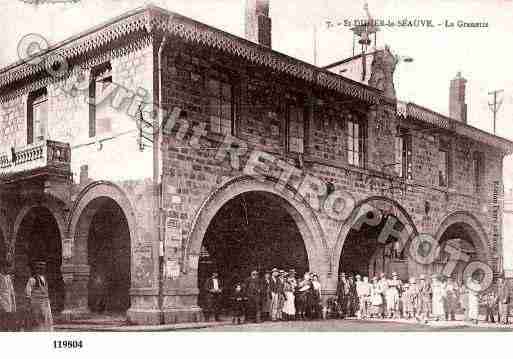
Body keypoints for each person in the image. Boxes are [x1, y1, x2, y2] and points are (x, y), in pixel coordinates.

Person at [25, 261, 53, 331]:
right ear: (36, 269)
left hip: (45, 302)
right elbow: (28, 292)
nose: (41, 270)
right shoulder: (32, 279)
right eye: (39, 268)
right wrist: (29, 304)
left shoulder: (44, 278)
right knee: (38, 320)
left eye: (43, 268)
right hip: (36, 303)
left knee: (46, 319)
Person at [0, 259, 16, 331]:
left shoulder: (8, 277)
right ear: (3, 267)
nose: (9, 270)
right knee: (2, 324)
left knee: (9, 324)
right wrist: (1, 305)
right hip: (2, 304)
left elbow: (12, 291)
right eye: (8, 267)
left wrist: (13, 304)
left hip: (9, 303)